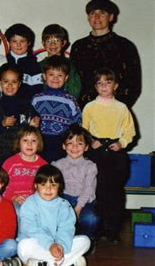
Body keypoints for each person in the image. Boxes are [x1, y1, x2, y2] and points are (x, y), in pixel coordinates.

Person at [82, 68, 135, 244]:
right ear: (95, 87)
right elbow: (84, 130)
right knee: (96, 190)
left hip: (115, 152)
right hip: (96, 152)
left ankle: (113, 230)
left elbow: (130, 131)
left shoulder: (122, 108)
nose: (104, 86)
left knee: (114, 192)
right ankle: (98, 228)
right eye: (99, 83)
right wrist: (90, 142)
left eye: (108, 82)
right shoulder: (90, 107)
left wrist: (122, 143)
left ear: (116, 86)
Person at [17, 165, 91, 266]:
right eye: (43, 185)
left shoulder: (64, 205)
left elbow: (66, 229)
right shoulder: (29, 204)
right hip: (38, 244)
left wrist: (60, 247)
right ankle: (65, 262)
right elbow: (31, 229)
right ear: (36, 185)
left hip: (58, 246)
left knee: (85, 241)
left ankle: (44, 265)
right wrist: (50, 245)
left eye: (53, 185)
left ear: (59, 187)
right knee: (23, 246)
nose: (48, 189)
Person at [70, 0, 141, 109]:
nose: (97, 17)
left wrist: (116, 109)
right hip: (84, 111)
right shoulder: (78, 47)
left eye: (102, 13)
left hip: (115, 111)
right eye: (93, 13)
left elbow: (134, 84)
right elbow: (73, 82)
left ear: (111, 17)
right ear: (88, 18)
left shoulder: (125, 46)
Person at [0, 63, 39, 165]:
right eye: (6, 81)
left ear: (20, 83)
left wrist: (35, 124)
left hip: (24, 156)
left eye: (14, 82)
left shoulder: (26, 105)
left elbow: (36, 126)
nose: (9, 85)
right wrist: (2, 124)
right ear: (0, 82)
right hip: (1, 158)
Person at [52, 124, 99, 240]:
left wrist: (78, 208)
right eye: (70, 143)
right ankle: (61, 240)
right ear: (64, 146)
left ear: (86, 147)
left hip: (84, 201)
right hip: (64, 199)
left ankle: (87, 240)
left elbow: (88, 189)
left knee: (91, 219)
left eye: (79, 144)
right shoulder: (56, 165)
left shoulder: (90, 166)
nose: (74, 147)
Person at [32, 55, 81, 162]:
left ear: (66, 78)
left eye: (60, 75)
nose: (55, 78)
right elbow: (30, 120)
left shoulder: (70, 100)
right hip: (40, 141)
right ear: (44, 76)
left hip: (61, 142)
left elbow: (77, 122)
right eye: (51, 74)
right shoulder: (37, 98)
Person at [2, 126, 47, 214]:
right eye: (25, 140)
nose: (29, 144)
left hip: (36, 202)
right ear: (19, 143)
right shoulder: (10, 163)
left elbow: (45, 186)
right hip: (14, 201)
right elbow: (1, 185)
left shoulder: (43, 165)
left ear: (39, 144)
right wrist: (13, 197)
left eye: (33, 141)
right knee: (20, 211)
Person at [39, 24, 81, 99]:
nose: (53, 44)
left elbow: (75, 91)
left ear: (64, 43)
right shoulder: (38, 66)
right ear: (43, 44)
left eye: (57, 40)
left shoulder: (70, 66)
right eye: (48, 41)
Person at [5, 23, 43, 98]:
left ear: (29, 43)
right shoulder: (4, 61)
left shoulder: (34, 65)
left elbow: (38, 90)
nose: (18, 45)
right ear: (9, 42)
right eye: (14, 41)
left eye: (22, 41)